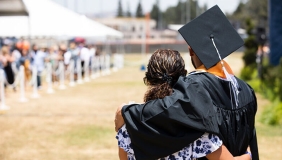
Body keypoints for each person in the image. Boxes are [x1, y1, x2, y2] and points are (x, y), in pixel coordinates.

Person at [115, 5, 258, 160]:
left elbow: (164, 109)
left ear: (191, 51)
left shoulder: (195, 86)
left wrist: (127, 112)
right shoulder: (246, 90)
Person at [116, 49, 252, 160]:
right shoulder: (196, 129)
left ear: (148, 78)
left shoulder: (128, 124)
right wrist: (248, 154)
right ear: (183, 78)